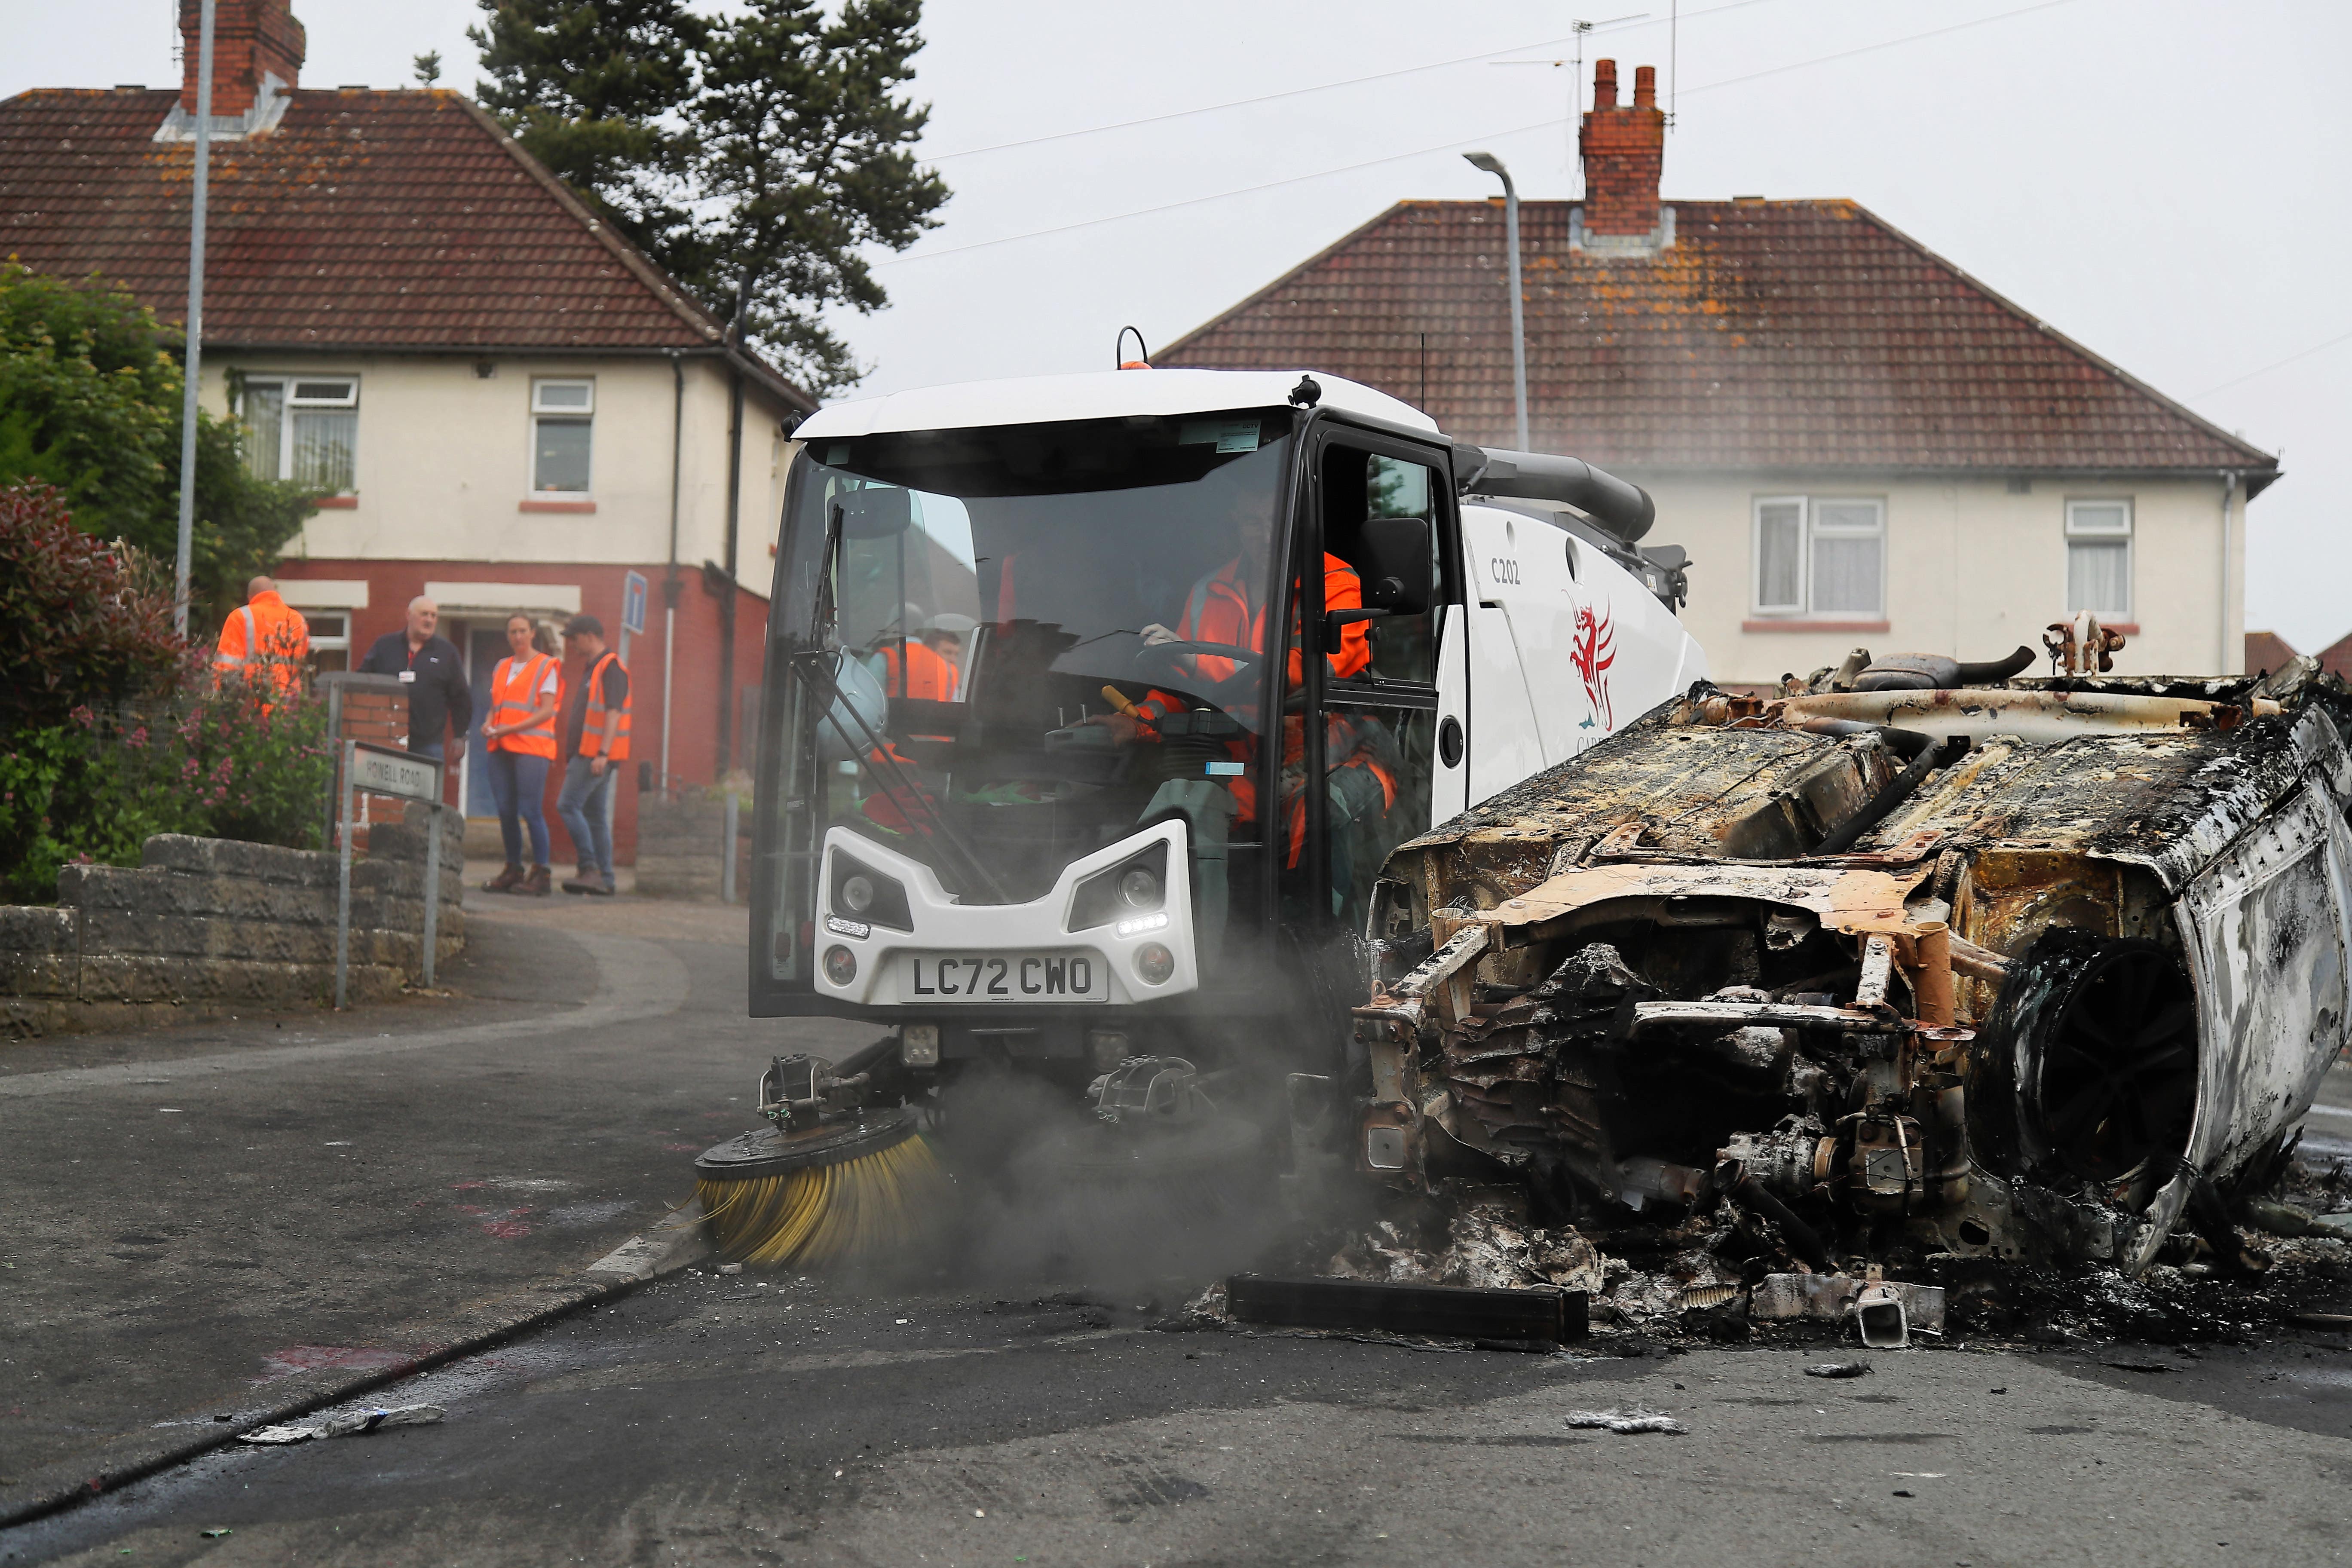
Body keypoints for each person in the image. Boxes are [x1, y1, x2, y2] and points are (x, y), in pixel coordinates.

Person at [479, 612, 560, 896]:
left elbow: (547, 710)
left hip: (532, 749)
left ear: (533, 633)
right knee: (505, 810)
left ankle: (542, 873)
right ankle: (514, 868)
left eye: (523, 631)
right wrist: (489, 723)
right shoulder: (502, 666)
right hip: (500, 747)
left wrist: (509, 728)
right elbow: (496, 705)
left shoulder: (546, 666)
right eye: (513, 632)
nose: (518, 637)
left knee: (531, 810)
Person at [554, 612, 631, 896]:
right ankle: (606, 879)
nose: (572, 645)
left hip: (593, 757)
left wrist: (602, 753)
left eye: (575, 639)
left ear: (590, 635)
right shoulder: (595, 667)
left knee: (568, 806)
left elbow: (614, 712)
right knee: (596, 817)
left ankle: (589, 869)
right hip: (592, 755)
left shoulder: (610, 668)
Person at [359, 596, 472, 760]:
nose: (429, 620)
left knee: (426, 786)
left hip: (428, 744)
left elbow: (461, 697)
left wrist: (460, 736)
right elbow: (362, 682)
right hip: (385, 739)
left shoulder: (447, 652)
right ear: (408, 615)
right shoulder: (385, 646)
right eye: (424, 614)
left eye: (434, 616)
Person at [212, 575, 310, 698]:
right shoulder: (299, 620)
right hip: (288, 703)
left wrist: (222, 699)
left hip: (253, 702)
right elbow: (302, 661)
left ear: (250, 597)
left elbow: (227, 665)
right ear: (276, 593)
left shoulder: (240, 616)